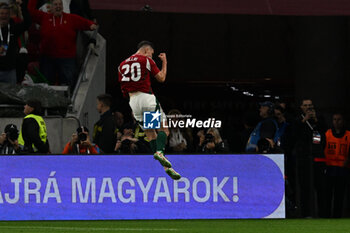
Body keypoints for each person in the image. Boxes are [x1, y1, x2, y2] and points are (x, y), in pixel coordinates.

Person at [118, 40, 180, 180]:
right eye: (151, 54)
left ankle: (166, 167)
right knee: (164, 130)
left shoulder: (121, 65)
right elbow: (161, 78)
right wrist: (164, 62)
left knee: (150, 134)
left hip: (133, 102)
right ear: (146, 50)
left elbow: (124, 90)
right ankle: (159, 152)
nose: (151, 56)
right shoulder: (146, 60)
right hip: (147, 98)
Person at [28, 0, 97, 88]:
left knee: (68, 84)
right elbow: (31, 11)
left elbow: (86, 23)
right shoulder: (44, 17)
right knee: (47, 84)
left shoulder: (71, 18)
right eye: (55, 5)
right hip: (47, 58)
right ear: (51, 7)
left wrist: (91, 25)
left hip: (67, 59)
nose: (58, 7)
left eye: (60, 4)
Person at [291, 98, 326, 218]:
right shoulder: (297, 121)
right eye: (306, 105)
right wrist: (304, 120)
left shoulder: (319, 119)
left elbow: (324, 133)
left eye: (310, 105)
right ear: (301, 107)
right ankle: (305, 213)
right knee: (305, 187)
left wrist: (315, 120)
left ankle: (322, 213)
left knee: (320, 186)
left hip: (317, 158)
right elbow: (294, 136)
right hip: (303, 158)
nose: (308, 107)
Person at [323, 113, 350, 218]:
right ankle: (326, 216)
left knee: (340, 196)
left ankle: (337, 217)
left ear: (343, 121)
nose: (336, 122)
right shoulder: (327, 134)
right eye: (334, 119)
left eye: (339, 119)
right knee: (327, 195)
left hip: (343, 169)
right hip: (329, 168)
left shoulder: (348, 135)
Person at [0, 1, 31, 84]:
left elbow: (27, 23)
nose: (4, 16)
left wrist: (23, 6)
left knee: (10, 96)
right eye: (2, 13)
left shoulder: (14, 28)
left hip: (10, 72)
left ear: (9, 15)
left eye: (6, 14)